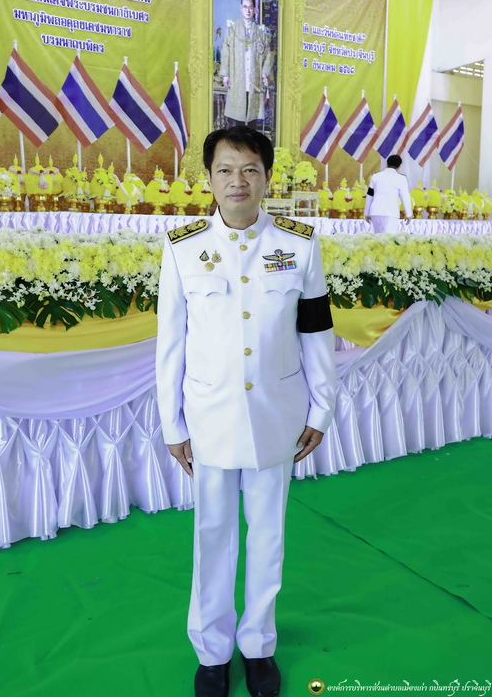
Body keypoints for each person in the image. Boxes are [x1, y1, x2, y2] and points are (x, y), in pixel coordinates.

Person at [156, 126, 337, 697]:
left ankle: (258, 646)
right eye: (226, 170)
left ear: (267, 177)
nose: (238, 181)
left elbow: (316, 332)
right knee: (212, 536)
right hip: (209, 416)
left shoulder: (300, 245)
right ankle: (212, 652)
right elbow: (170, 343)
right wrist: (171, 423)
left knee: (267, 536)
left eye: (250, 169)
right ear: (209, 179)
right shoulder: (182, 247)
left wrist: (321, 410)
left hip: (276, 415)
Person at [220, 0, 273, 129]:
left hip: (254, 79)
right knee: (237, 116)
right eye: (245, 7)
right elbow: (226, 52)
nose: (248, 11)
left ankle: (250, 139)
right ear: (241, 8)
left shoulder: (260, 31)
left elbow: (268, 55)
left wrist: (265, 73)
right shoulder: (232, 28)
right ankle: (236, 139)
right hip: (238, 78)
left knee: (252, 118)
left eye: (250, 8)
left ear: (254, 10)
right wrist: (225, 75)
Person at [364, 154, 413, 233]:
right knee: (389, 238)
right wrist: (409, 214)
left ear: (387, 164)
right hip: (391, 212)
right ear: (399, 166)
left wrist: (366, 213)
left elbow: (370, 195)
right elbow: (405, 197)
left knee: (377, 237)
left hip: (375, 212)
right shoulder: (401, 178)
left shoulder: (375, 176)